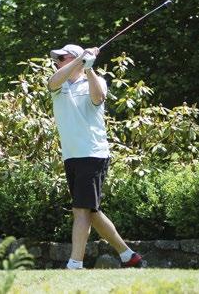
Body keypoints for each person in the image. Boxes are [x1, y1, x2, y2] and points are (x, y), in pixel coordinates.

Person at [48, 44, 145, 269]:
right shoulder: (58, 85)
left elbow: (98, 97)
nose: (57, 62)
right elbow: (53, 80)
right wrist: (80, 58)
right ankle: (128, 256)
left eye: (61, 58)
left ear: (73, 59)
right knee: (92, 211)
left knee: (81, 209)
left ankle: (74, 264)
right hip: (71, 156)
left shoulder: (96, 80)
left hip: (92, 154)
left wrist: (89, 68)